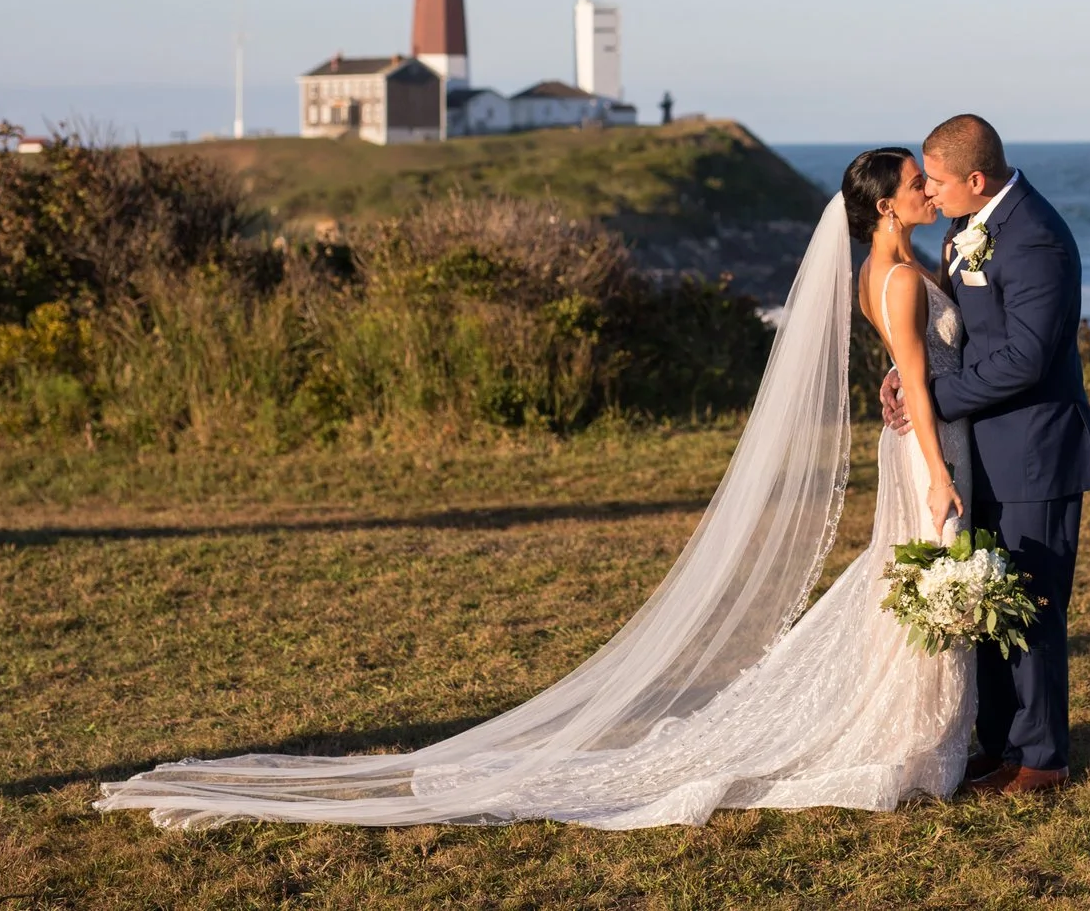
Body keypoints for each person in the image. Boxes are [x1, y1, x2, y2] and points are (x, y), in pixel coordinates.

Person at [94, 148, 977, 829]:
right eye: (915, 183)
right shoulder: (896, 277)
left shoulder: (886, 267)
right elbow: (919, 377)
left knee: (897, 582)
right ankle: (905, 732)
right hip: (922, 455)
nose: (928, 190)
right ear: (883, 205)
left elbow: (912, 368)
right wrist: (937, 471)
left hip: (908, 438)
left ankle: (915, 724)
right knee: (912, 574)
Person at [881, 113, 1090, 794]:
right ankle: (1002, 743)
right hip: (983, 448)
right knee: (990, 601)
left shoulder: (1035, 239)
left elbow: (1026, 359)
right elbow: (966, 332)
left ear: (976, 179)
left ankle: (1043, 760)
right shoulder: (967, 228)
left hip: (1035, 450)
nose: (933, 195)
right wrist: (909, 375)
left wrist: (936, 398)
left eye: (939, 183)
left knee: (1032, 603)